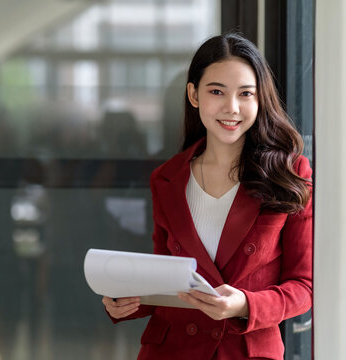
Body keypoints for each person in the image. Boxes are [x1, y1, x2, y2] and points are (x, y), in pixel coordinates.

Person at [102, 33, 313, 360]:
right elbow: (168, 277)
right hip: (172, 351)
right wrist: (128, 301)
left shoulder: (290, 172)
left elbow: (304, 286)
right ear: (194, 94)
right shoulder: (167, 178)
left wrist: (245, 304)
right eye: (217, 91)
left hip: (246, 351)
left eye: (246, 94)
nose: (232, 108)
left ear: (260, 99)